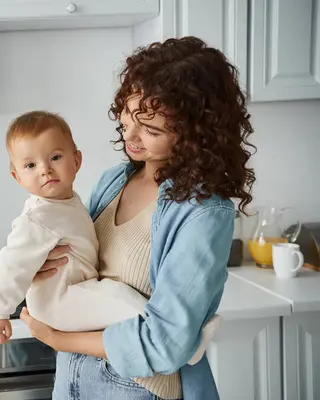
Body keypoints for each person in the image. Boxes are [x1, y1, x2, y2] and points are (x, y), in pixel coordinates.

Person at [18, 36, 255, 400]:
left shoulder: (203, 213)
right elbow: (85, 273)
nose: (129, 135)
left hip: (137, 388)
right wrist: (42, 267)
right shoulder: (115, 180)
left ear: (196, 133)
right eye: (127, 116)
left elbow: (166, 344)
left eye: (151, 129)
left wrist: (57, 338)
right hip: (71, 378)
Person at [0, 111, 218, 369]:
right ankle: (189, 345)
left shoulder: (67, 202)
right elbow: (12, 265)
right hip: (58, 302)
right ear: (17, 177)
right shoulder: (37, 218)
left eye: (55, 157)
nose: (45, 170)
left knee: (117, 302)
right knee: (117, 295)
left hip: (75, 297)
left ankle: (178, 341)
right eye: (30, 165)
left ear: (76, 161)